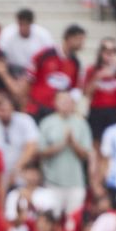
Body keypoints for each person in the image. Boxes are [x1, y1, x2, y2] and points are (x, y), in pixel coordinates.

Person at [38, 91, 93, 219]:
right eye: (62, 101)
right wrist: (62, 143)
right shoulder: (47, 123)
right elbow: (41, 152)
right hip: (52, 181)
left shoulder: (81, 123)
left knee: (73, 220)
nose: (65, 104)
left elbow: (86, 154)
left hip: (75, 182)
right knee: (52, 219)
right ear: (55, 103)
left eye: (68, 102)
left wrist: (73, 143)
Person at [26, 24, 86, 121]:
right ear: (69, 38)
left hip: (57, 113)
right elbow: (28, 79)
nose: (82, 44)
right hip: (37, 108)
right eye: (79, 39)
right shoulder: (44, 55)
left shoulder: (75, 63)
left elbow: (75, 89)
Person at [84, 38, 116, 143]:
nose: (110, 54)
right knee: (97, 142)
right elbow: (86, 93)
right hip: (97, 110)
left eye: (113, 50)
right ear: (100, 52)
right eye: (106, 50)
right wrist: (98, 77)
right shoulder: (92, 70)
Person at [0, 92, 39, 190]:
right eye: (0, 109)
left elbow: (32, 146)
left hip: (20, 172)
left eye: (6, 108)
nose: (3, 112)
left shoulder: (24, 120)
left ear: (12, 107)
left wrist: (16, 168)